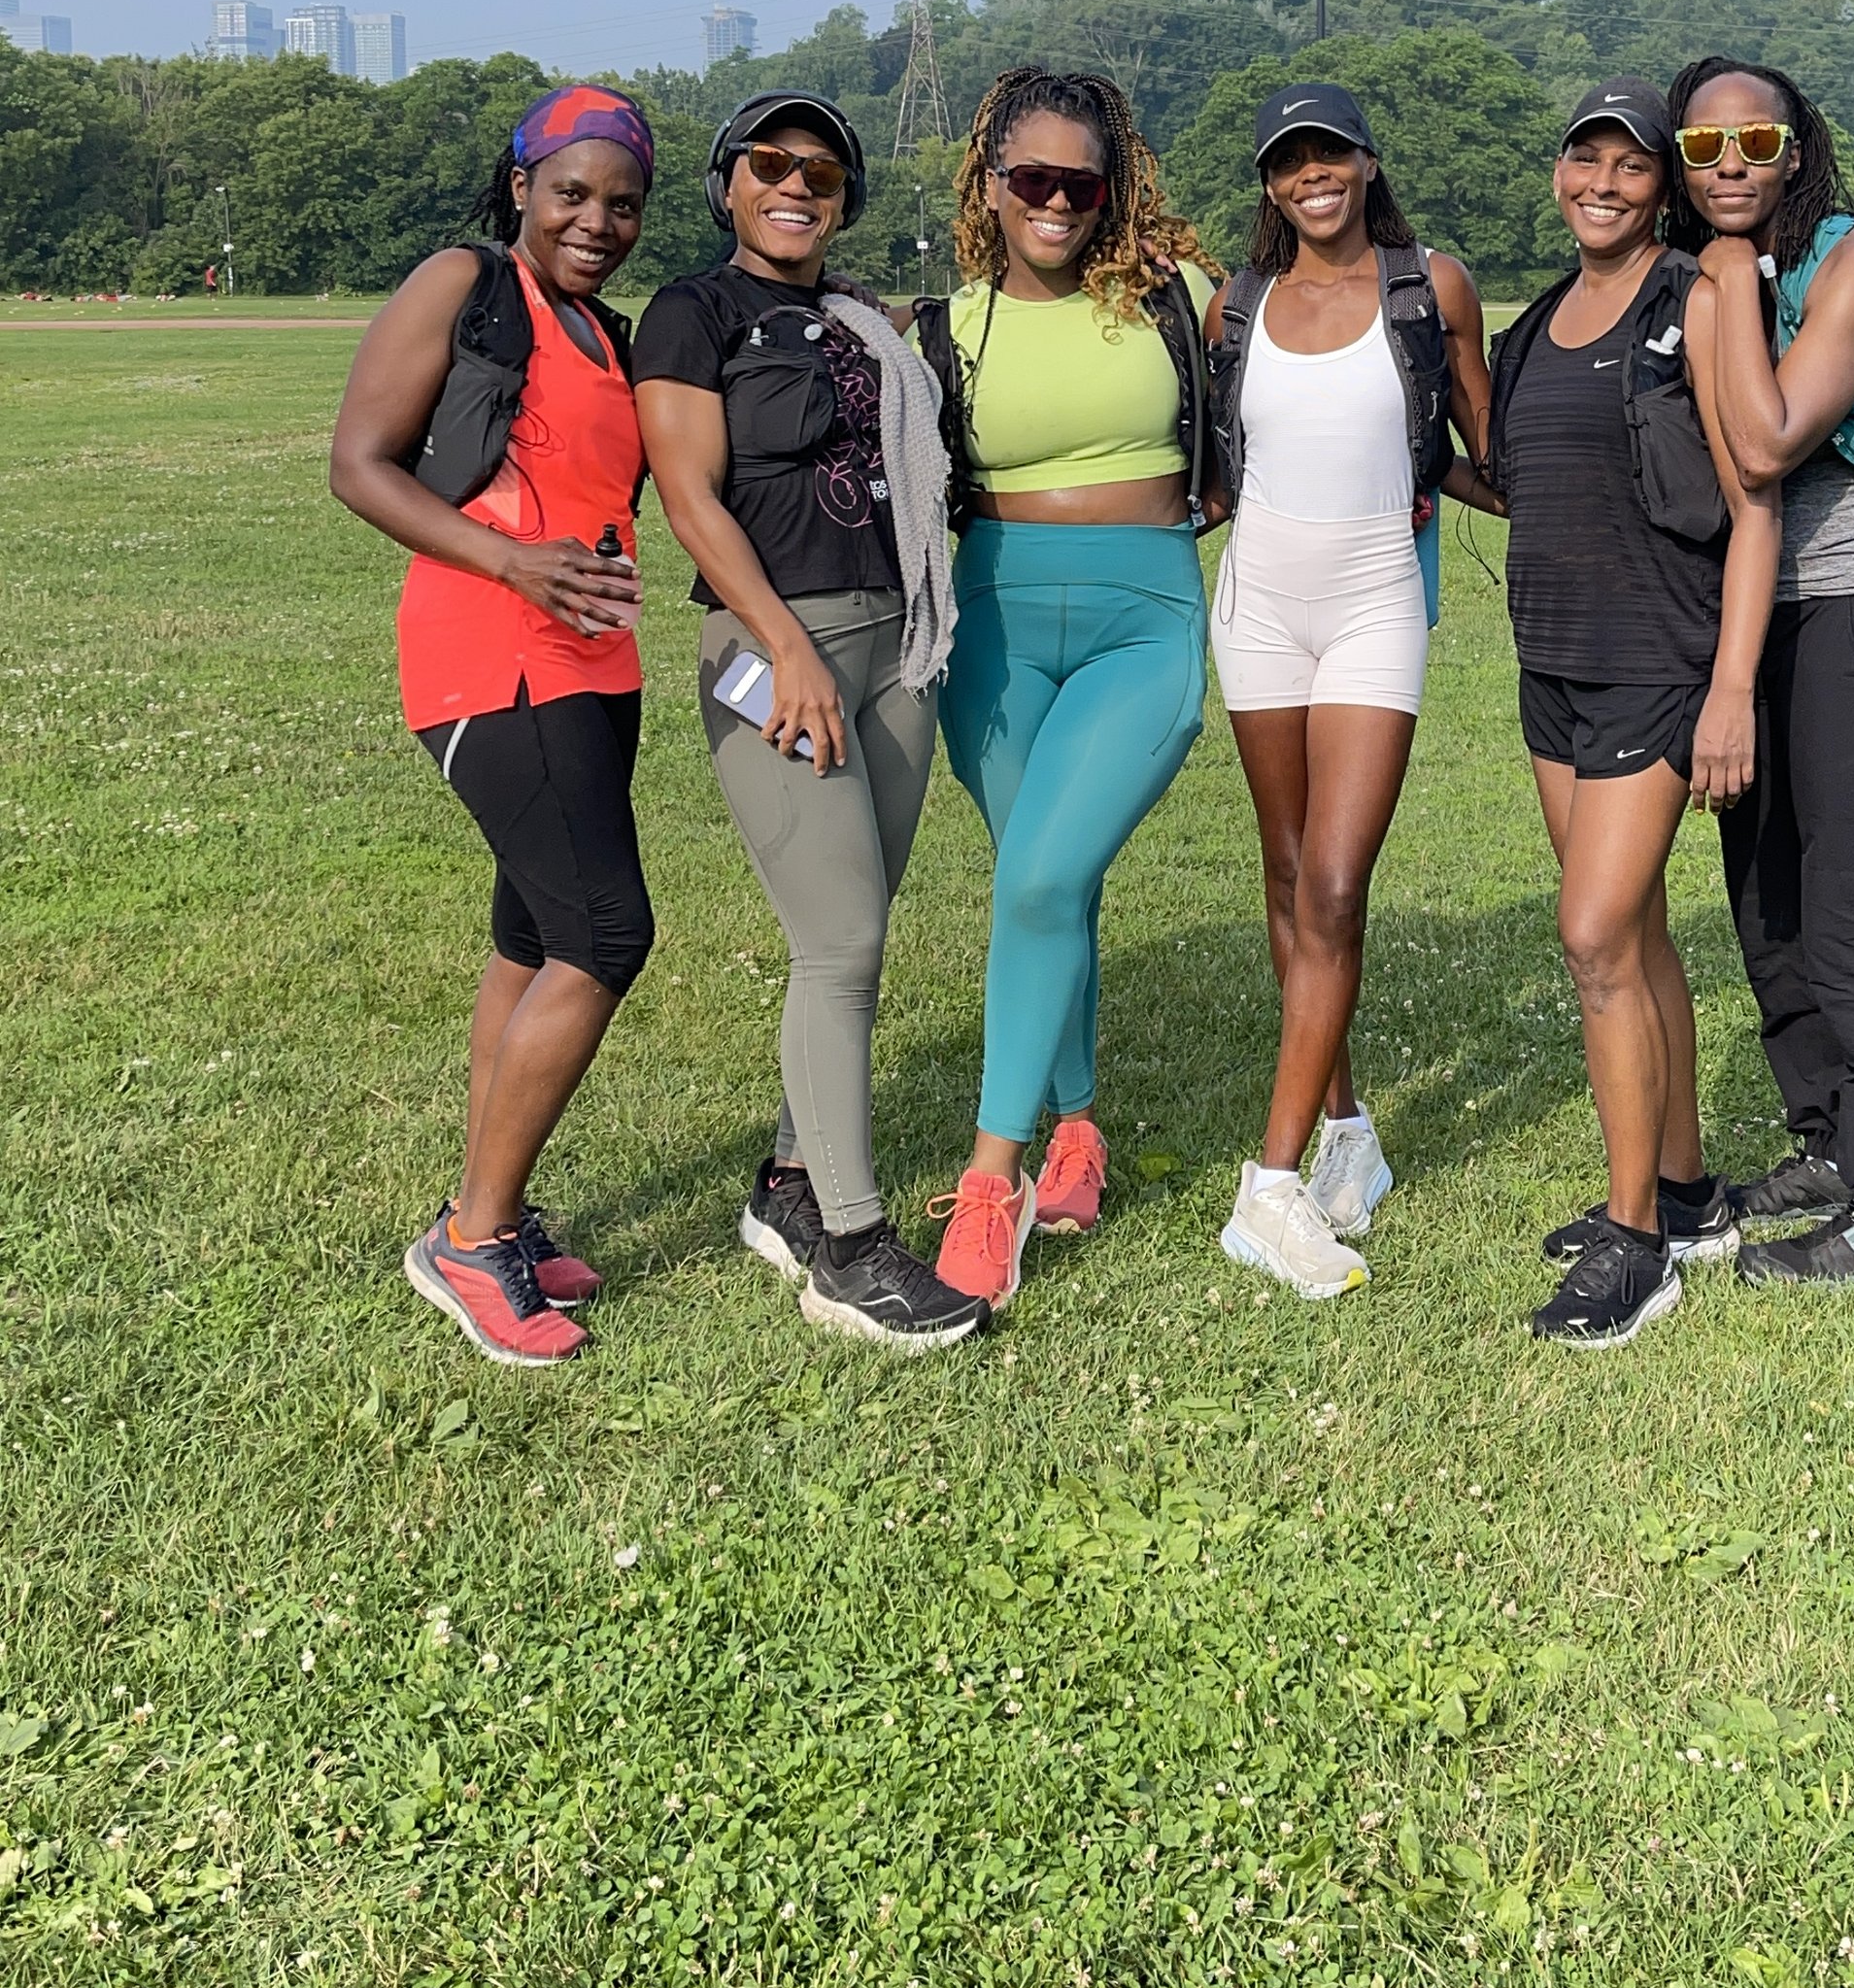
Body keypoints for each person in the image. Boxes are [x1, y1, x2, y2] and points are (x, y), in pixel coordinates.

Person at [633, 90, 982, 1351]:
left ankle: (786, 1182)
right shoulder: (694, 314)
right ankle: (849, 1243)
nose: (798, 185)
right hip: (771, 653)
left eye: (822, 173)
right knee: (840, 942)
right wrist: (786, 648)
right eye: (772, 165)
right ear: (728, 183)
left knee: (858, 930)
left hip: (899, 641)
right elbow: (687, 496)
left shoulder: (855, 320)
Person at [329, 84, 658, 1368]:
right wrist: (513, 563)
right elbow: (360, 461)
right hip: (492, 659)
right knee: (605, 931)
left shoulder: (599, 330)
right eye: (571, 192)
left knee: (532, 933)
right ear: (520, 185)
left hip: (592, 667)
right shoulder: (466, 284)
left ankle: (500, 1211)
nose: (596, 220)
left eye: (622, 203)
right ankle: (469, 1241)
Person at [911, 66, 1221, 1311]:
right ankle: (1079, 1125)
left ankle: (994, 1183)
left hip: (1142, 622)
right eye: (1027, 178)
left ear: (1114, 188)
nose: (1051, 201)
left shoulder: (1178, 301)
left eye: (1076, 183)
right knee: (1049, 877)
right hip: (990, 628)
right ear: (988, 181)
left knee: (1038, 877)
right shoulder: (946, 324)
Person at [1477, 79, 1779, 1348]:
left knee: (1594, 935)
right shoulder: (1539, 319)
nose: (1602, 183)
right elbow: (1516, 482)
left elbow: (1756, 497)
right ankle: (1688, 1190)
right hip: (1553, 663)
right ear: (1558, 172)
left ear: (1660, 185)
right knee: (1640, 932)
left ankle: (1636, 1245)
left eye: (1630, 166)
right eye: (1582, 160)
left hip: (1660, 660)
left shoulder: (1695, 300)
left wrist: (1730, 689)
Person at [1201, 81, 1493, 1298]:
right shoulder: (1241, 300)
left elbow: (1490, 450)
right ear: (1271, 182)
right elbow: (1217, 466)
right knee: (1285, 871)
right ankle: (1345, 1135)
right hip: (1257, 605)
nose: (1312, 176)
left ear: (1368, 164)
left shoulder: (1433, 284)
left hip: (1376, 597)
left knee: (1333, 878)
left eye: (1332, 155)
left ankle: (1267, 1194)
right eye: (1289, 161)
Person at [1669, 54, 1854, 1286]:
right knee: (1765, 895)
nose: (1729, 165)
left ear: (1798, 150)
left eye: (1756, 145)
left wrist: (1725, 278)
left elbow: (1773, 437)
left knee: (1852, 904)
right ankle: (1829, 1140)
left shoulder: (1853, 266)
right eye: (1703, 148)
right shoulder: (1718, 274)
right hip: (1749, 620)